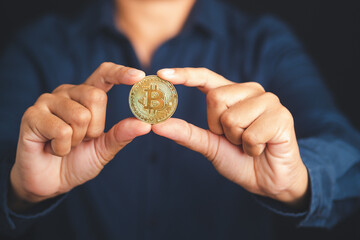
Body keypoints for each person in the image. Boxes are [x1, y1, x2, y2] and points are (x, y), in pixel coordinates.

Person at [0, 0, 359, 239]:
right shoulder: (38, 47)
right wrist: (17, 191)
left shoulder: (265, 43)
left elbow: (350, 163)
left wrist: (296, 181)